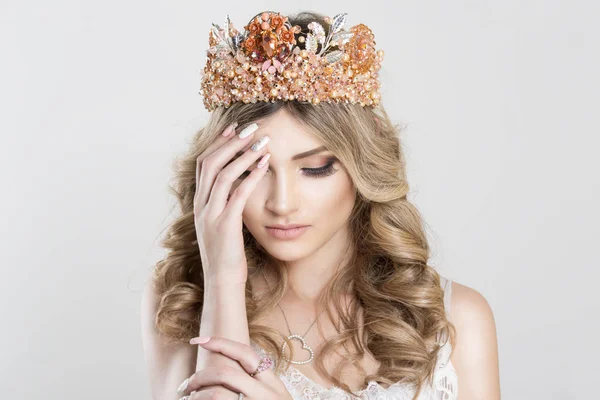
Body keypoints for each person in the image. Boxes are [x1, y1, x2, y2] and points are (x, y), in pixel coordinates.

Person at [141, 10, 501, 400]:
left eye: (315, 168)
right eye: (253, 172)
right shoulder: (182, 301)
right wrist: (223, 278)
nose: (281, 203)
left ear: (362, 167)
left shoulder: (456, 317)